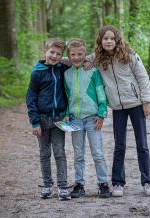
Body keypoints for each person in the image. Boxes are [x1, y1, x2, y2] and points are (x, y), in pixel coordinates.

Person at [88, 25, 150, 197]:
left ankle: (147, 181)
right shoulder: (97, 58)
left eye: (112, 38)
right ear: (100, 41)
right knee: (119, 145)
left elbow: (143, 77)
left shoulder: (129, 55)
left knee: (142, 144)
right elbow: (79, 59)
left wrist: (146, 101)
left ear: (117, 39)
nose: (109, 41)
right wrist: (57, 59)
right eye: (105, 38)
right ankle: (118, 183)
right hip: (117, 108)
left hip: (135, 104)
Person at [63, 38, 111, 199]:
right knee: (78, 154)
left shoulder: (93, 71)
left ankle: (103, 184)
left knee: (97, 152)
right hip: (75, 119)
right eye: (73, 54)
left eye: (80, 54)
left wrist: (102, 113)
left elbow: (101, 93)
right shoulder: (66, 74)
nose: (76, 57)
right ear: (68, 56)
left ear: (85, 55)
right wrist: (66, 113)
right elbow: (66, 96)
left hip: (92, 119)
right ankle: (79, 185)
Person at [26, 38, 71, 201]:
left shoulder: (62, 69)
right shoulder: (37, 72)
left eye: (58, 54)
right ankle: (47, 184)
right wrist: (35, 122)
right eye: (52, 52)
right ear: (45, 51)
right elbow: (31, 98)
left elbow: (76, 59)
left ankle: (63, 186)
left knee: (60, 152)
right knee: (44, 154)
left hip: (59, 119)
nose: (54, 56)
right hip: (42, 120)